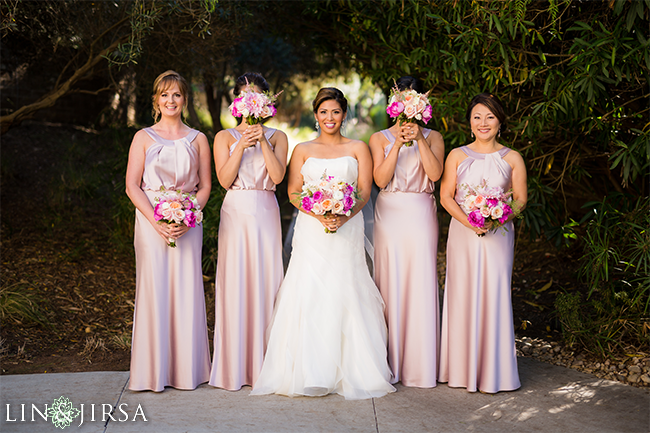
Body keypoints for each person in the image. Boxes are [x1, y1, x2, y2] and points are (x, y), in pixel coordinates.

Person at [251, 87, 395, 400]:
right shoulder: (302, 149)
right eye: (324, 112)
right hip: (312, 229)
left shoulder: (358, 147)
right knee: (310, 289)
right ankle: (310, 369)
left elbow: (365, 191)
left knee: (346, 287)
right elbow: (292, 192)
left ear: (344, 115)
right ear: (316, 115)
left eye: (336, 112)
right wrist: (318, 213)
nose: (330, 118)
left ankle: (355, 368)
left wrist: (343, 216)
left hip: (348, 227)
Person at [125, 70, 212, 391]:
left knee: (186, 289)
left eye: (176, 95)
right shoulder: (143, 137)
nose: (170, 100)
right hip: (151, 223)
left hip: (188, 223)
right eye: (164, 95)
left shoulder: (199, 139)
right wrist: (156, 220)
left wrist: (189, 215)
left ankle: (187, 371)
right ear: (156, 100)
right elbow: (132, 186)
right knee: (154, 290)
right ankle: (152, 373)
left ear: (185, 100)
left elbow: (205, 186)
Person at [438, 93, 527, 393]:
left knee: (495, 293)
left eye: (489, 117)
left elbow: (520, 199)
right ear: (470, 122)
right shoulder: (457, 155)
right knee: (463, 294)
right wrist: (471, 222)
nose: (483, 123)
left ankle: (495, 373)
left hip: (498, 236)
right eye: (477, 117)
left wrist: (497, 219)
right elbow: (446, 196)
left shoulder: (512, 158)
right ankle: (461, 371)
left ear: (500, 121)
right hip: (463, 234)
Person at [209, 73, 288, 391]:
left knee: (267, 283)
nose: (250, 100)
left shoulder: (279, 137)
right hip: (236, 211)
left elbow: (279, 176)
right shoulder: (223, 137)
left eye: (256, 95)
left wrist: (264, 142)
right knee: (236, 283)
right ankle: (234, 367)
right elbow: (225, 180)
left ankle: (267, 366)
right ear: (237, 102)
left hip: (266, 209)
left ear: (266, 101)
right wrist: (242, 143)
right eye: (244, 95)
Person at [369, 76, 445, 388]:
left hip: (421, 211)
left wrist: (421, 140)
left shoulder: (435, 136)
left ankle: (420, 364)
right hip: (390, 214)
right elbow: (380, 179)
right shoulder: (379, 138)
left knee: (421, 281)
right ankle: (389, 361)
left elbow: (436, 174)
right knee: (389, 283)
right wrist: (398, 143)